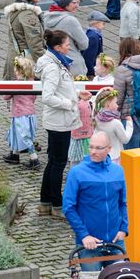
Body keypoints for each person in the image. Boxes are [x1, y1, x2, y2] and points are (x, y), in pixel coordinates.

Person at [62, 131, 128, 272]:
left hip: (115, 242)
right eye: (91, 147)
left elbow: (122, 203)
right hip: (89, 245)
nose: (93, 152)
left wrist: (123, 229)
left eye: (98, 148)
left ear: (109, 149)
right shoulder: (77, 173)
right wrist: (84, 235)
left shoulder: (118, 171)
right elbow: (68, 207)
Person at [37, 30, 82, 218]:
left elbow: (63, 89)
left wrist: (78, 96)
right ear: (57, 47)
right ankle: (57, 204)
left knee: (54, 161)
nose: (69, 46)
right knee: (58, 163)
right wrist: (68, 104)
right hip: (59, 121)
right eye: (66, 44)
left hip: (58, 120)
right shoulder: (53, 67)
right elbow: (47, 96)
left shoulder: (55, 62)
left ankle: (45, 201)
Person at [3, 0, 44, 80]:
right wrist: (45, 63)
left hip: (15, 58)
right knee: (25, 94)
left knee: (17, 93)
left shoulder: (15, 10)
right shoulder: (27, 15)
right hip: (25, 63)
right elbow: (35, 43)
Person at [3, 56, 39, 169]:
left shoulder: (16, 83)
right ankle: (14, 155)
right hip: (30, 114)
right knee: (17, 134)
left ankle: (34, 159)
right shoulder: (32, 82)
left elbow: (6, 96)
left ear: (18, 71)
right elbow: (34, 97)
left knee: (24, 137)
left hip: (20, 115)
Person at [43, 0, 89, 77]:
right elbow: (84, 45)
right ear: (65, 3)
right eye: (74, 3)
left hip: (53, 63)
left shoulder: (46, 17)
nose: (77, 6)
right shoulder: (70, 20)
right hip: (73, 66)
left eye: (78, 2)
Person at [93, 88, 132, 164]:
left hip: (100, 156)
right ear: (108, 105)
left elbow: (97, 100)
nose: (117, 106)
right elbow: (125, 139)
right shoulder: (115, 122)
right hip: (115, 157)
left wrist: (102, 90)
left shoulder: (97, 118)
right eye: (115, 103)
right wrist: (129, 124)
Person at [68, 90, 94, 167]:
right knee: (76, 160)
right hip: (78, 136)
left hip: (87, 135)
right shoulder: (77, 104)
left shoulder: (86, 102)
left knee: (85, 158)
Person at [82, 11, 110, 78]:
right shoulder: (93, 37)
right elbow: (89, 57)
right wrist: (92, 72)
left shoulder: (92, 34)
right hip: (92, 71)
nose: (104, 26)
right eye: (103, 24)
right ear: (96, 23)